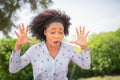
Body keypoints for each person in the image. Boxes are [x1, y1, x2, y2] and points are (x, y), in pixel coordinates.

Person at [9, 9, 91, 80]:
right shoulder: (34, 50)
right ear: (45, 32)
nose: (57, 36)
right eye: (52, 32)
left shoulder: (68, 49)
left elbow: (85, 65)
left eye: (60, 32)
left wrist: (84, 47)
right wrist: (18, 46)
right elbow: (13, 69)